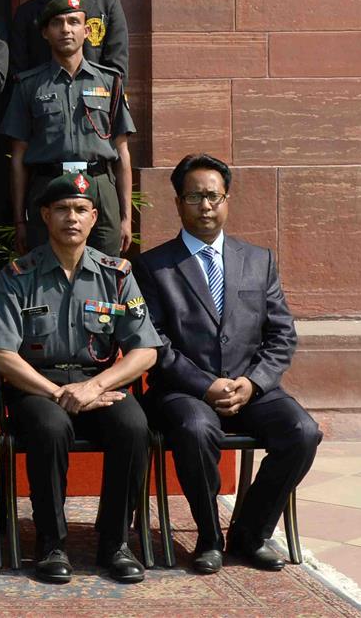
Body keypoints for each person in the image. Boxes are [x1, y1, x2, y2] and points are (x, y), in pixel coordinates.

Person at [137, 153, 321, 574]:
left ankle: (250, 532)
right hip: (184, 391)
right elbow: (155, 343)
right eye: (195, 197)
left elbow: (281, 334)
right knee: (195, 428)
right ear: (178, 202)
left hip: (252, 387)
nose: (206, 206)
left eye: (214, 197)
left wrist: (252, 383)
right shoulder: (152, 266)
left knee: (302, 432)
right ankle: (209, 536)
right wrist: (206, 385)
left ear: (227, 199)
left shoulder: (259, 260)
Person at [0, 172, 160, 585]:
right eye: (62, 209)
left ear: (94, 216)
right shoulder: (18, 275)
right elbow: (0, 354)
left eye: (81, 209)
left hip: (98, 382)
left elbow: (145, 350)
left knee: (134, 427)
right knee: (50, 428)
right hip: (36, 386)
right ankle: (51, 543)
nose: (72, 217)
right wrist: (57, 392)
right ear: (45, 215)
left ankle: (115, 542)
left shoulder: (116, 274)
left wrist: (94, 386)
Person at [1, 0, 133, 258]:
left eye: (73, 22)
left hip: (99, 188)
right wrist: (19, 220)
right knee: (44, 270)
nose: (66, 29)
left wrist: (126, 216)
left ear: (86, 31)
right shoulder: (29, 86)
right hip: (48, 186)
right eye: (57, 23)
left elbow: (122, 153)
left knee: (106, 273)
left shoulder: (109, 82)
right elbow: (18, 157)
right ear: (45, 33)